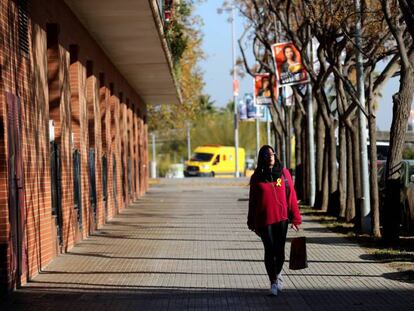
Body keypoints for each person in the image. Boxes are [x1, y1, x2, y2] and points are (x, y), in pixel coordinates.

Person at [247, 145, 302, 296]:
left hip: (282, 219)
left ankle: (277, 275)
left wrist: (296, 219)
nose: (271, 157)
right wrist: (251, 221)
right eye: (267, 155)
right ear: (262, 158)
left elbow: (291, 196)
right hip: (264, 220)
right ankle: (273, 282)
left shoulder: (283, 174)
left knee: (280, 251)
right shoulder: (256, 178)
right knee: (269, 250)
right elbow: (252, 201)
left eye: (272, 154)